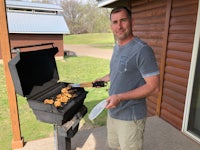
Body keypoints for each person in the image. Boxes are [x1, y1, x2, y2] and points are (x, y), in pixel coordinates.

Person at [95, 6, 160, 150]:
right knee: (113, 146)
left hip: (131, 116)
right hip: (113, 111)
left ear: (132, 21)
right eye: (115, 22)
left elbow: (153, 86)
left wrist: (120, 97)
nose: (119, 26)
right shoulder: (117, 46)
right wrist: (103, 78)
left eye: (123, 20)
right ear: (111, 25)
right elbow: (117, 71)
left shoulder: (142, 50)